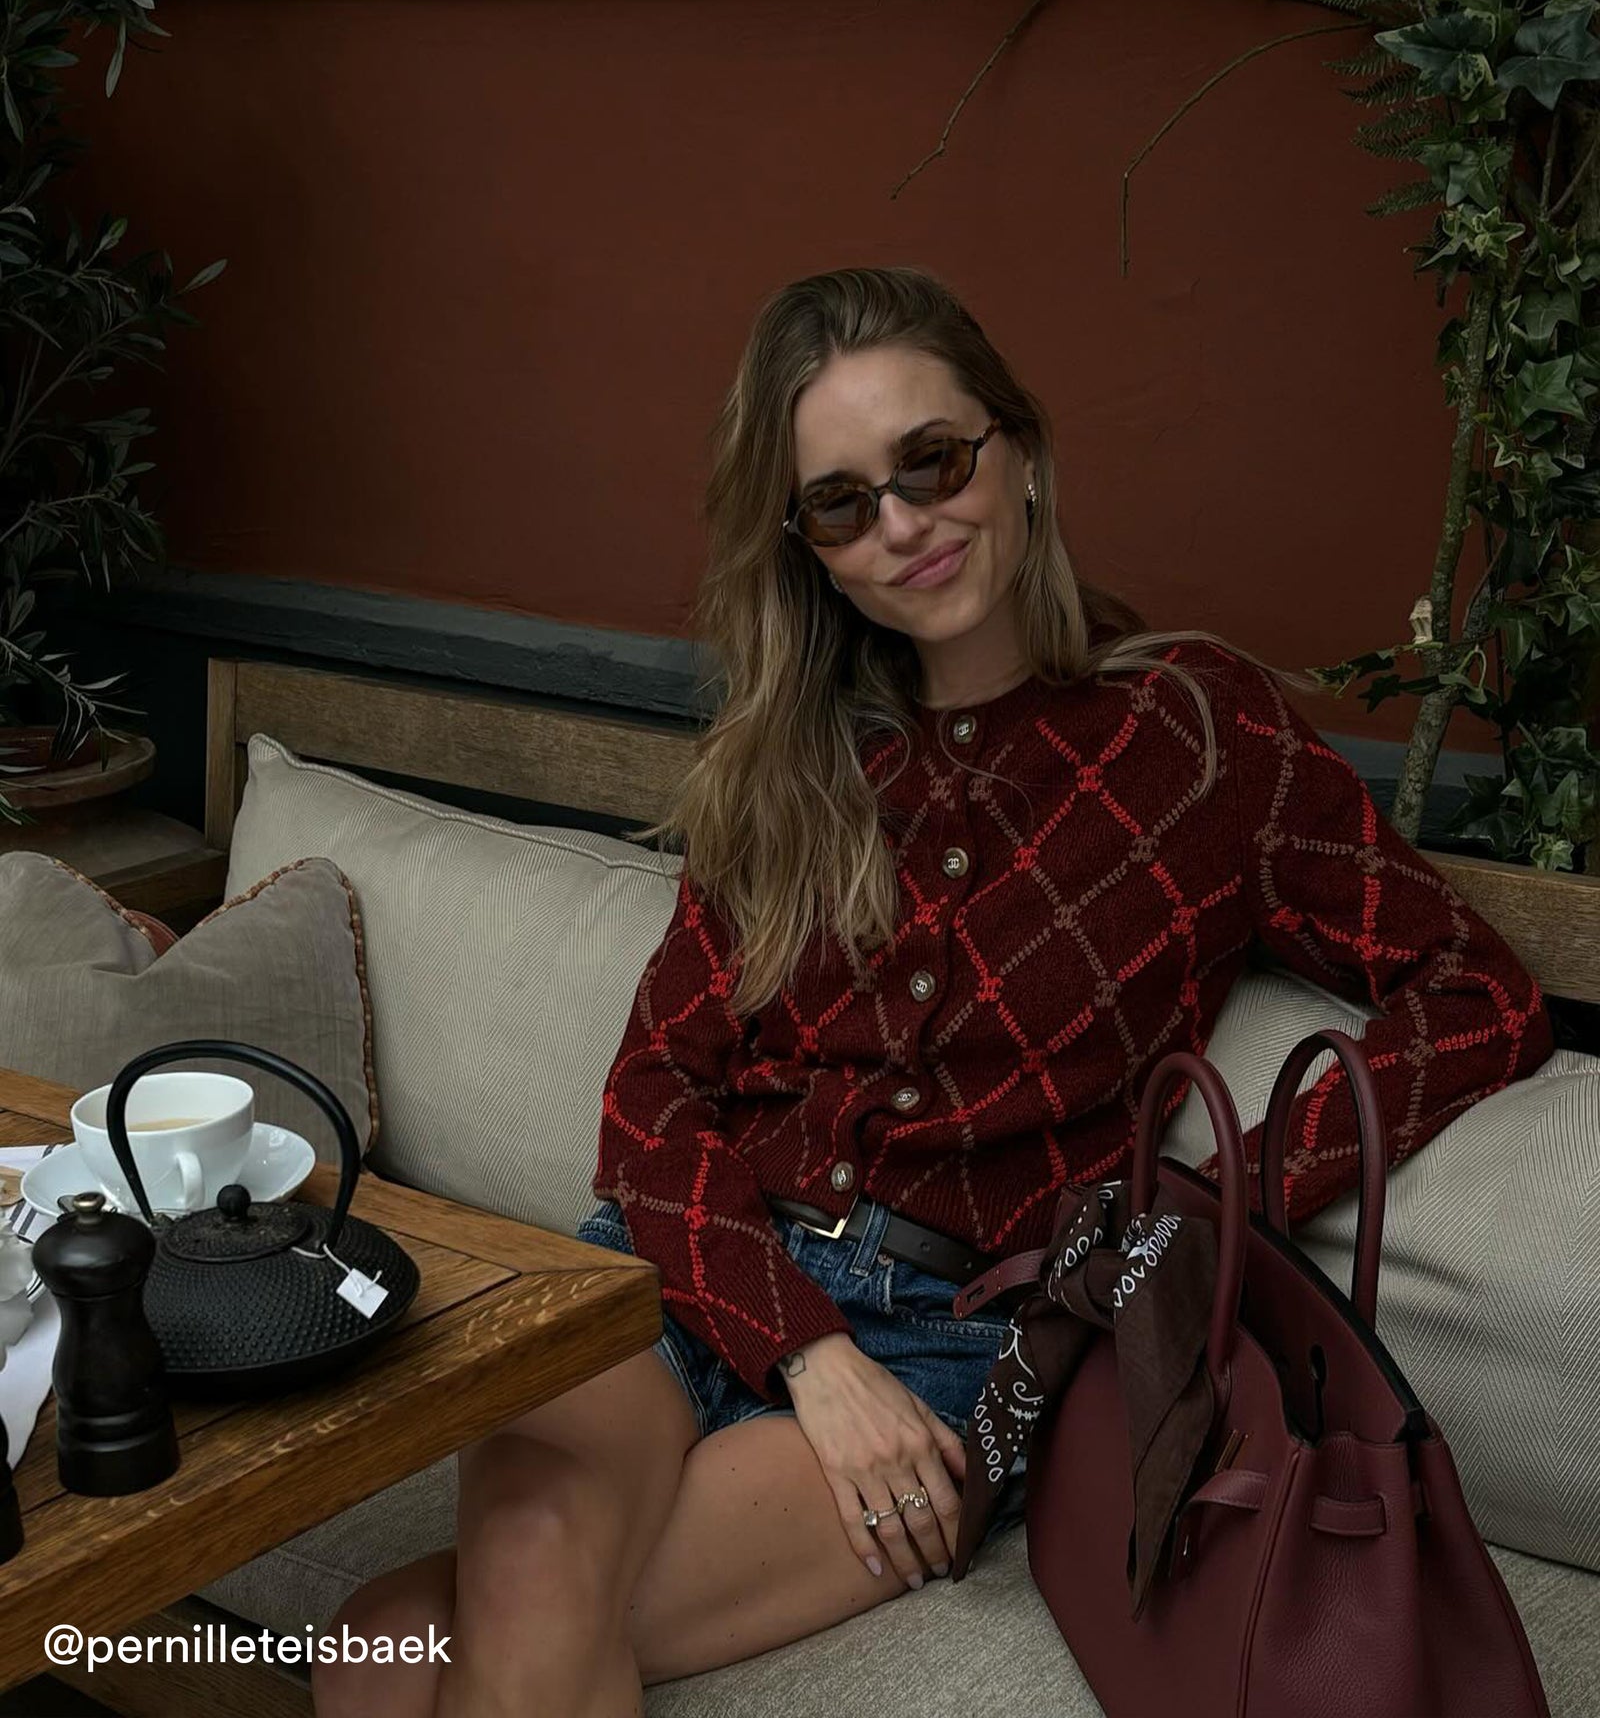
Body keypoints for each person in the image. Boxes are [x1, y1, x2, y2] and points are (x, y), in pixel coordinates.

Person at [312, 266, 1553, 1718]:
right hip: (678, 1273)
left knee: (390, 1647)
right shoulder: (791, 761)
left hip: (950, 1343)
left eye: (934, 462)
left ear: (1018, 452)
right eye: (842, 503)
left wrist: (1220, 1203)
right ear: (810, 552)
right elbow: (652, 1093)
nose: (901, 524)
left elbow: (1479, 993)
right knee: (400, 1626)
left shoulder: (1198, 736)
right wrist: (806, 1351)